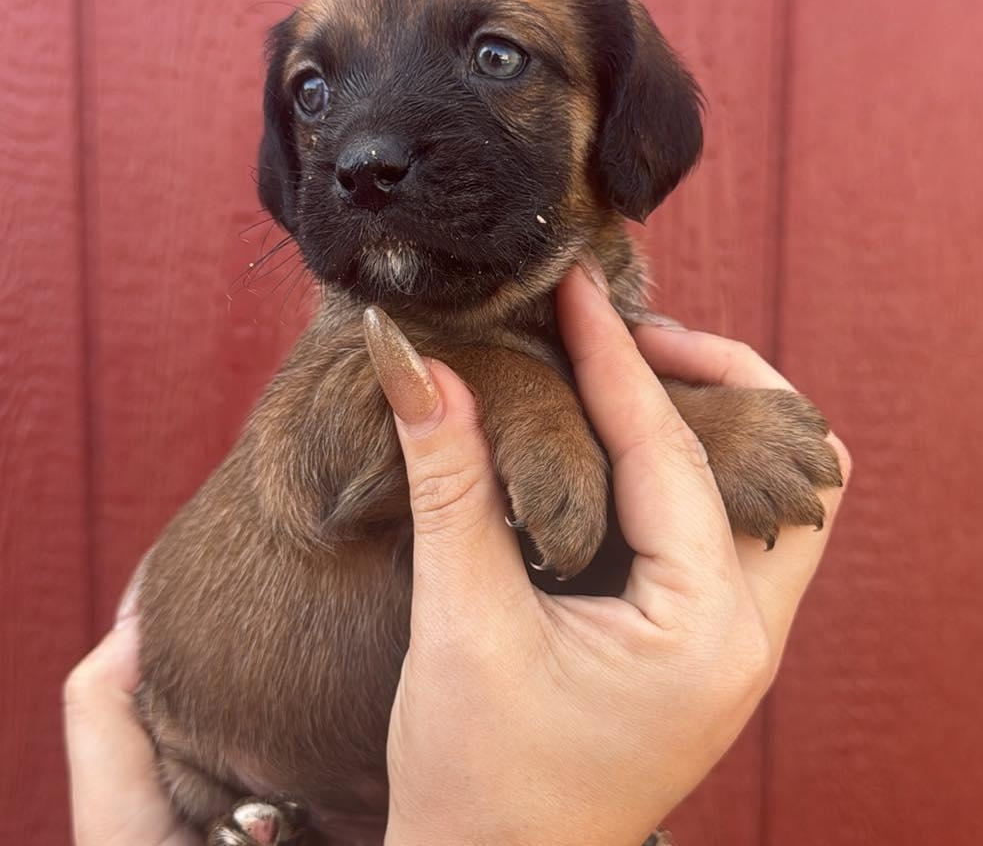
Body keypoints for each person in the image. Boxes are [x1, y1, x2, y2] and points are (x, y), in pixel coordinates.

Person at [64, 261, 850, 846]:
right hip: (211, 767)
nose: (366, 150)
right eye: (314, 93)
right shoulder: (356, 341)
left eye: (497, 60)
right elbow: (331, 463)